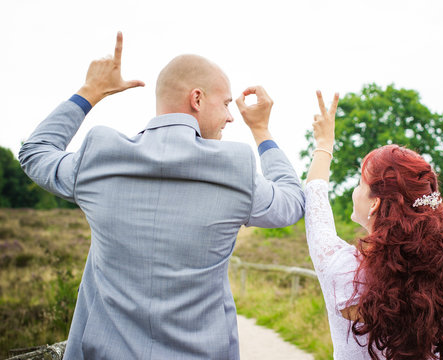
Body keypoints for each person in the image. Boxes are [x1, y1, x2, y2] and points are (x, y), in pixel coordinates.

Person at [19, 32, 304, 360]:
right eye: (226, 104)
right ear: (196, 99)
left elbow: (35, 152)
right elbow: (293, 203)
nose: (230, 116)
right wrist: (262, 131)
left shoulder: (100, 156)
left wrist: (90, 92)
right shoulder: (237, 169)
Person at [304, 91, 443, 359]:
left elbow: (315, 200)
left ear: (375, 204)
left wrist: (324, 143)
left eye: (360, 184)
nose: (355, 191)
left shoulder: (342, 270)